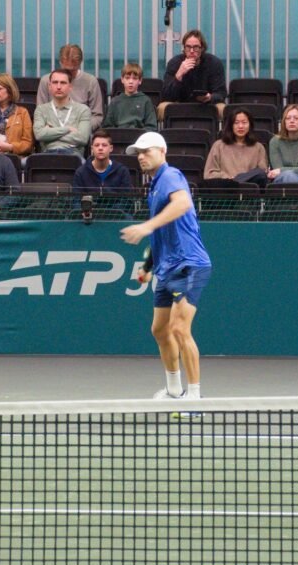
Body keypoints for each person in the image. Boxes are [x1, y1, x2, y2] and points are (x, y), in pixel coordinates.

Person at [120, 132, 212, 401]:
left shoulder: (170, 175)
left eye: (146, 151)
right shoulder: (154, 187)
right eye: (138, 152)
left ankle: (194, 397)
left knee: (179, 329)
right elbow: (162, 234)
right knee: (159, 330)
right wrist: (148, 266)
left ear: (162, 151)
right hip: (166, 267)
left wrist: (146, 225)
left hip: (190, 265)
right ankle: (174, 390)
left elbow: (182, 203)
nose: (140, 156)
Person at [158, 30, 227, 121]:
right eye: (188, 47)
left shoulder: (214, 63)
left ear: (202, 48)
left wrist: (210, 97)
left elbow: (221, 93)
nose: (191, 51)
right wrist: (178, 75)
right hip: (180, 103)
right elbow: (166, 96)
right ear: (184, 48)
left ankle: (221, 135)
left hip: (207, 105)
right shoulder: (174, 63)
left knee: (222, 108)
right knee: (162, 107)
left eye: (196, 47)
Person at [36, 44, 104, 131]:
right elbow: (40, 114)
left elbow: (97, 116)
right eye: (66, 70)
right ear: (60, 62)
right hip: (52, 133)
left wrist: (81, 128)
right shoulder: (46, 81)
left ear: (80, 63)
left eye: (72, 70)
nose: (69, 74)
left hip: (79, 133)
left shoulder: (90, 81)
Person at [73, 130, 137, 216]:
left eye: (104, 145)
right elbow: (76, 201)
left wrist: (108, 214)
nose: (100, 148)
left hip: (115, 217)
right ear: (92, 149)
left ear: (111, 148)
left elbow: (127, 202)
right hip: (88, 218)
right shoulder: (81, 172)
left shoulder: (122, 171)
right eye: (96, 145)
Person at [33, 69, 92, 157]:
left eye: (63, 83)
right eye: (55, 82)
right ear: (49, 86)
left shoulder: (83, 110)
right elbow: (39, 135)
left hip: (74, 155)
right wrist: (67, 129)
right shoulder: (41, 110)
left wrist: (50, 133)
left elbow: (83, 138)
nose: (59, 87)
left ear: (70, 86)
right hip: (47, 154)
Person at [204, 107, 268, 184]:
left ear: (250, 125)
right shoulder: (218, 145)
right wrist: (228, 178)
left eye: (244, 122)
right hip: (226, 187)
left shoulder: (258, 147)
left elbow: (262, 172)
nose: (240, 126)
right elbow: (209, 174)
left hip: (249, 189)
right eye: (236, 122)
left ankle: (239, 179)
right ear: (231, 125)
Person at [102, 62, 158, 130]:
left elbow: (151, 126)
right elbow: (108, 126)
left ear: (140, 81)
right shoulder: (115, 101)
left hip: (140, 138)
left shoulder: (146, 101)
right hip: (119, 138)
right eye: (127, 78)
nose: (131, 81)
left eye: (134, 78)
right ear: (122, 80)